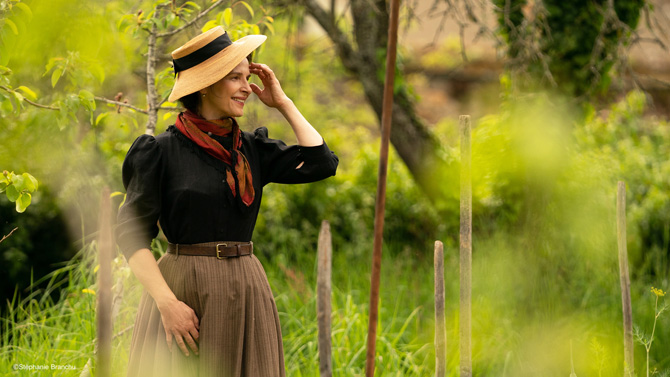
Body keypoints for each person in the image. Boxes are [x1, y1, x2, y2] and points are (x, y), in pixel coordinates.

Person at [116, 26, 339, 377]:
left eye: (246, 77)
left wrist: (283, 102)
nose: (246, 88)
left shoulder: (251, 149)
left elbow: (321, 162)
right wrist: (167, 303)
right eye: (235, 78)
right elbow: (131, 235)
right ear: (207, 84)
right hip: (183, 289)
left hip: (246, 286)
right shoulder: (159, 151)